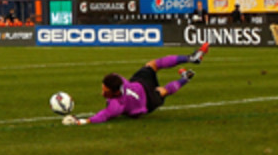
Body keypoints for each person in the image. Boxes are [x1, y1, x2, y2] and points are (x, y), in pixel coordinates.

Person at [64, 43, 210, 125]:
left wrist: (80, 121)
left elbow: (101, 116)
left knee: (163, 90)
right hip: (139, 84)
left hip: (145, 103)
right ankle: (191, 58)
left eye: (105, 91)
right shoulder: (117, 78)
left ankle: (186, 78)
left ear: (115, 93)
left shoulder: (116, 106)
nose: (102, 92)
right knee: (153, 65)